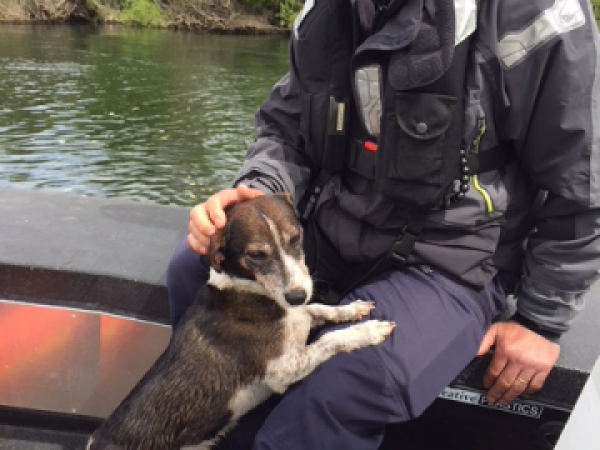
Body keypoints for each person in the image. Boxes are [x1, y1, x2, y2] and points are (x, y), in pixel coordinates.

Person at [167, 0, 600, 448]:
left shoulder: (535, 13)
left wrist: (540, 320)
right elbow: (284, 128)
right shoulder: (328, 12)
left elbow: (584, 180)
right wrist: (254, 192)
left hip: (454, 258)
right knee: (192, 271)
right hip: (334, 224)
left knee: (339, 386)